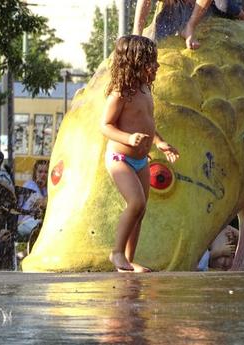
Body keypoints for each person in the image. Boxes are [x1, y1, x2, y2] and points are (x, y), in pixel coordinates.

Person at [101, 35, 179, 273]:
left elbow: (147, 123)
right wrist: (128, 138)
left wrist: (161, 142)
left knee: (141, 209)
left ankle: (128, 258)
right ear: (134, 63)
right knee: (135, 202)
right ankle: (115, 252)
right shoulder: (120, 93)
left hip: (140, 161)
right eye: (150, 62)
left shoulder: (145, 89)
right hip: (120, 159)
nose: (156, 66)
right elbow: (105, 125)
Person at [133, 0, 244, 50]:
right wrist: (136, 34)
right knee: (156, 40)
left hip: (211, 4)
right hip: (175, 6)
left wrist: (190, 26)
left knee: (224, 7)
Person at [17, 159, 49, 239]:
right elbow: (42, 204)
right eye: (40, 172)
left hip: (38, 222)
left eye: (46, 172)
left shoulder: (47, 188)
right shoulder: (30, 185)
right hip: (25, 222)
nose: (43, 175)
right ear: (35, 173)